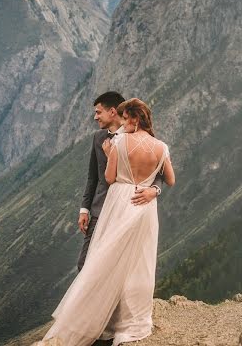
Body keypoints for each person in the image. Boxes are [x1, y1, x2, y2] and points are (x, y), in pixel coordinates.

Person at [42, 98, 175, 346]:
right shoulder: (161, 146)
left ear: (133, 119)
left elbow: (109, 177)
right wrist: (151, 189)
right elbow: (169, 178)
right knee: (140, 262)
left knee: (103, 258)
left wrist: (111, 154)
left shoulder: (119, 142)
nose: (123, 123)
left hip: (120, 203)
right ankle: (132, 320)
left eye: (126, 119)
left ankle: (91, 320)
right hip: (145, 208)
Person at [77, 92, 162, 271]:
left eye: (98, 112)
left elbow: (159, 173)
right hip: (99, 210)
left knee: (116, 266)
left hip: (125, 210)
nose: (95, 117)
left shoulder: (139, 139)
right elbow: (93, 176)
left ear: (113, 111)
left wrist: (154, 190)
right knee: (84, 264)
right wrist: (84, 209)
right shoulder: (98, 138)